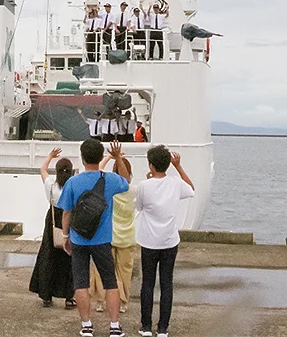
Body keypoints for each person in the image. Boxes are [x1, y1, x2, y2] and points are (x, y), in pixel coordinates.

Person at [57, 139, 130, 337]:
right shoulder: (110, 180)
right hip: (102, 239)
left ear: (82, 157)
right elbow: (127, 181)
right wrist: (117, 158)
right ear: (100, 157)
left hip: (79, 239)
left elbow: (66, 212)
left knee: (81, 282)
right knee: (110, 282)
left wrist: (66, 236)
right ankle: (114, 326)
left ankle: (87, 325)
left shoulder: (73, 181)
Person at [135, 145, 195, 337]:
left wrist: (149, 182)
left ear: (150, 165)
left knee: (148, 283)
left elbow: (140, 207)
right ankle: (162, 328)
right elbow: (191, 189)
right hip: (169, 241)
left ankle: (146, 326)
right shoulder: (175, 184)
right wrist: (178, 167)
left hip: (149, 241)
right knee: (167, 283)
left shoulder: (145, 186)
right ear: (168, 164)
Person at [30, 148, 76, 309]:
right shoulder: (74, 185)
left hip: (52, 221)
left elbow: (42, 169)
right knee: (69, 259)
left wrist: (50, 156)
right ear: (71, 172)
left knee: (48, 256)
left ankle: (46, 295)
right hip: (69, 220)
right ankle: (69, 297)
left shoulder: (51, 184)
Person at [90, 153, 135, 315]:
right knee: (125, 271)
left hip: (107, 234)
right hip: (128, 236)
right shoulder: (133, 191)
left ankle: (101, 301)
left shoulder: (109, 189)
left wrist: (110, 157)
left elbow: (98, 170)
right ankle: (123, 302)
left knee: (102, 270)